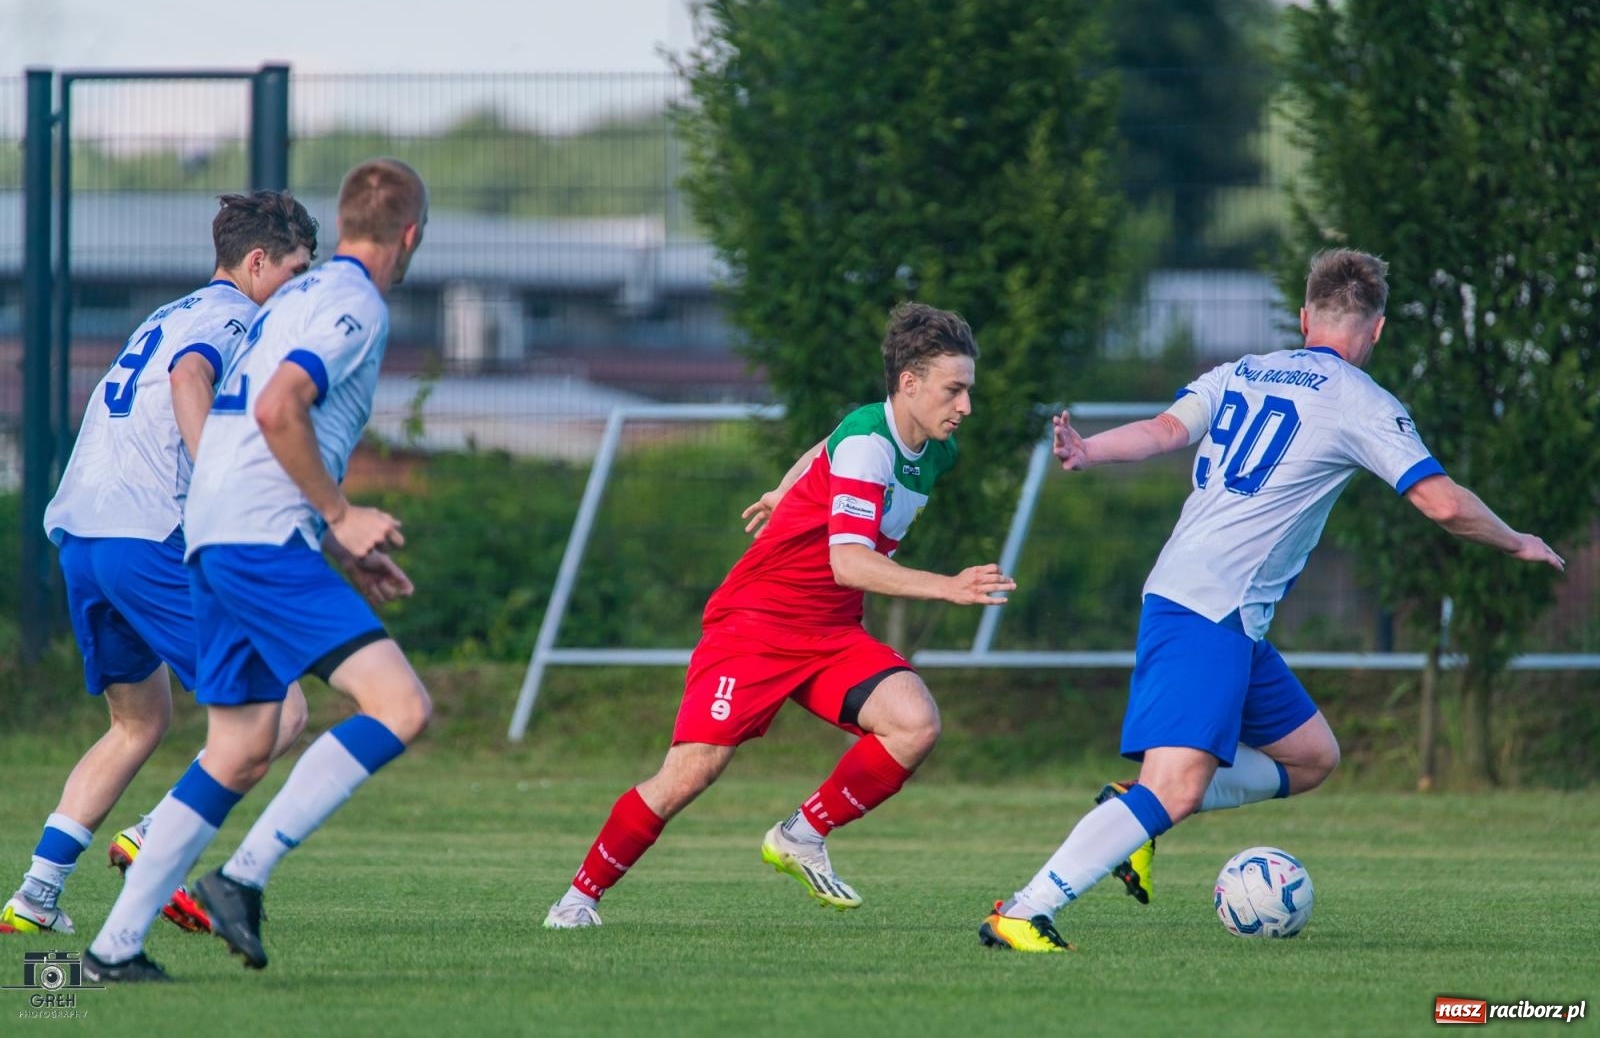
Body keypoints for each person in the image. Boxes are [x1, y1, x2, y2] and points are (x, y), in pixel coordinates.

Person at [978, 248, 1566, 952]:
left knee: (1313, 755)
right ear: (1376, 331)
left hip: (1221, 612)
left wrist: (1090, 450)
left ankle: (1134, 810)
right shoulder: (1360, 399)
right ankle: (1025, 907)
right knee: (1175, 788)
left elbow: (1167, 430)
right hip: (1207, 607)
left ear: (1304, 316)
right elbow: (1440, 503)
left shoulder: (1242, 371)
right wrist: (1516, 539)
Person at [544, 302, 1016, 929]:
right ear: (910, 382)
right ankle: (576, 900)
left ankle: (800, 835)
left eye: (968, 391)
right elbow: (849, 560)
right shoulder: (871, 447)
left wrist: (787, 485)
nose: (966, 406)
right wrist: (947, 587)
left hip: (830, 632)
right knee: (690, 772)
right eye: (954, 390)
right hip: (756, 625)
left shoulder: (929, 450)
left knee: (914, 723)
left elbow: (829, 441)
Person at [82, 158, 431, 982]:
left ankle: (108, 950)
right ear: (410, 235)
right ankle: (241, 877)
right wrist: (341, 514)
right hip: (258, 535)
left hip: (210, 527)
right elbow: (279, 408)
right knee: (402, 705)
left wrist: (341, 541)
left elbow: (252, 420)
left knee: (237, 749)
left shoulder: (292, 297)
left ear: (346, 224)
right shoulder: (351, 301)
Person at [1, 193, 319, 938]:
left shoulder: (170, 311)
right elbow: (187, 380)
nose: (304, 286)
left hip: (83, 536)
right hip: (148, 536)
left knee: (139, 720)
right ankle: (154, 833)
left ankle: (35, 894)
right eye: (299, 270)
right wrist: (223, 485)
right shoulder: (236, 318)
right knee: (285, 707)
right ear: (257, 262)